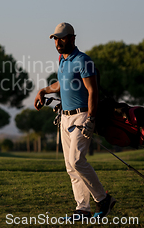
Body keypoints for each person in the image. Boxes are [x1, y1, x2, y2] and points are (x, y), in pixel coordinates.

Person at [34, 22, 116, 220]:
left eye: (62, 38)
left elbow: (93, 91)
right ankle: (83, 209)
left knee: (77, 160)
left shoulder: (83, 60)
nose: (58, 42)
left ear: (72, 38)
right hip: (65, 117)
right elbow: (61, 84)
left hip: (82, 116)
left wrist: (91, 119)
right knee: (70, 167)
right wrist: (43, 90)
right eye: (55, 38)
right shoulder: (62, 59)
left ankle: (104, 199)